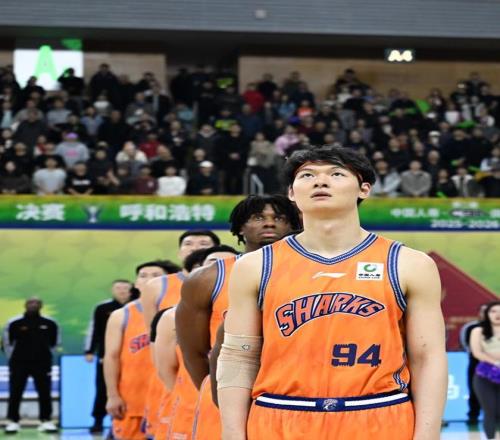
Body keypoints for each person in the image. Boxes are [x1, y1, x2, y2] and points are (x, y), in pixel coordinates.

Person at [218, 146, 447, 440]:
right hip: (279, 416)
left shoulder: (409, 263)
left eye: (336, 174)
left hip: (378, 415)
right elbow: (238, 356)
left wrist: (428, 434)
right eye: (307, 175)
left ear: (364, 189)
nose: (320, 181)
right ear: (291, 193)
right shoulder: (256, 265)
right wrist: (232, 432)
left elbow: (427, 357)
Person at [176, 195, 301, 440]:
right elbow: (193, 351)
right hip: (226, 399)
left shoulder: (314, 273)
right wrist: (220, 394)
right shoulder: (208, 277)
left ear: (293, 225)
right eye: (258, 217)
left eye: (279, 218)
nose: (269, 223)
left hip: (291, 396)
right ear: (240, 227)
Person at [140, 230, 220, 438]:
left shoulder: (232, 282)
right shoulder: (158, 286)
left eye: (203, 243)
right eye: (189, 243)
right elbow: (154, 339)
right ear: (179, 251)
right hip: (177, 380)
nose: (196, 247)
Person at [154, 246, 238, 440]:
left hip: (232, 400)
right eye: (214, 264)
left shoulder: (249, 307)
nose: (224, 269)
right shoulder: (170, 316)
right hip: (191, 400)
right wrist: (196, 392)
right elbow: (164, 370)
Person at [103, 261, 173, 440]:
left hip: (168, 399)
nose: (149, 279)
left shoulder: (177, 312)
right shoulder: (122, 315)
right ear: (135, 283)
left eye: (156, 275)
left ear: (168, 281)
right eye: (143, 275)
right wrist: (112, 395)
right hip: (133, 402)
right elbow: (111, 357)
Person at [2, 298, 60, 434]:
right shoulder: (14, 323)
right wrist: (13, 358)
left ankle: (46, 420)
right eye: (30, 303)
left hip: (42, 363)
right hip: (19, 363)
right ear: (25, 305)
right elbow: (6, 343)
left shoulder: (50, 323)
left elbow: (55, 343)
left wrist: (46, 356)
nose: (33, 305)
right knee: (15, 391)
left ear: (41, 306)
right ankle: (13, 421)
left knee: (44, 392)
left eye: (36, 303)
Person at [84, 279, 134, 434]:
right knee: (103, 388)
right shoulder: (102, 308)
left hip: (132, 356)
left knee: (130, 388)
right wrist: (89, 350)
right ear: (113, 290)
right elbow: (94, 330)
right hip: (107, 356)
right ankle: (98, 420)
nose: (122, 291)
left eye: (125, 288)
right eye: (118, 288)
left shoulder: (138, 306)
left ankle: (122, 423)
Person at [470, 301, 500, 440]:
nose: (497, 314)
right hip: (485, 376)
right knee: (490, 410)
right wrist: (496, 362)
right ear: (487, 314)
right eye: (493, 311)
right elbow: (477, 352)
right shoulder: (478, 331)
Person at [459, 304, 487, 426]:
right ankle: (473, 416)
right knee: (475, 390)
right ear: (479, 313)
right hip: (477, 364)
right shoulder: (472, 327)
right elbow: (465, 343)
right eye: (483, 311)